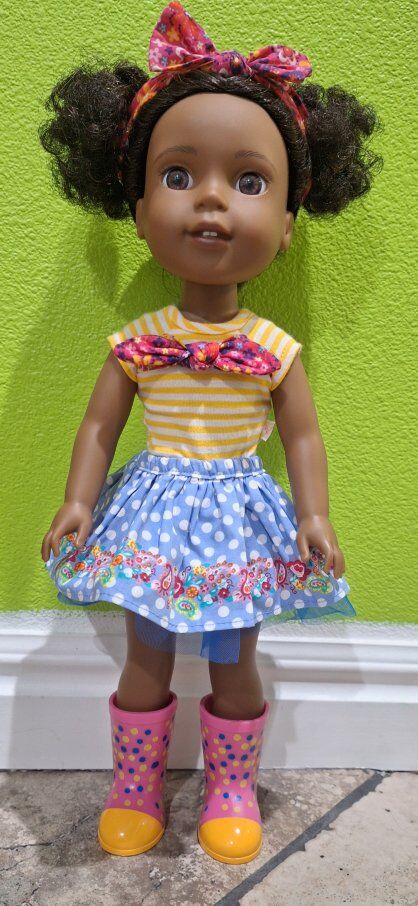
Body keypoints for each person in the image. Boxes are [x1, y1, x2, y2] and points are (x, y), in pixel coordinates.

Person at [39, 1, 382, 864]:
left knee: (234, 658)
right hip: (153, 518)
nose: (213, 202)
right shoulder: (138, 341)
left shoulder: (271, 349)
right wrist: (79, 501)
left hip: (238, 518)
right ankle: (135, 784)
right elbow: (98, 425)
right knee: (146, 658)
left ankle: (231, 787)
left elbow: (303, 440)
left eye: (251, 183)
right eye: (179, 175)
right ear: (138, 207)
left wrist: (315, 516)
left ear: (290, 222)